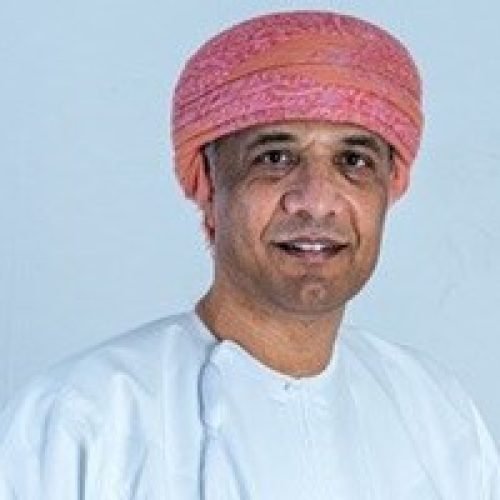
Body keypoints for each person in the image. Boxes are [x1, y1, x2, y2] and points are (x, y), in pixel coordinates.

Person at [0, 10, 498, 499]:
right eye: (275, 158)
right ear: (209, 182)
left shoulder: (437, 418)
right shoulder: (79, 423)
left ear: (390, 187)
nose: (316, 200)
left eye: (354, 161)